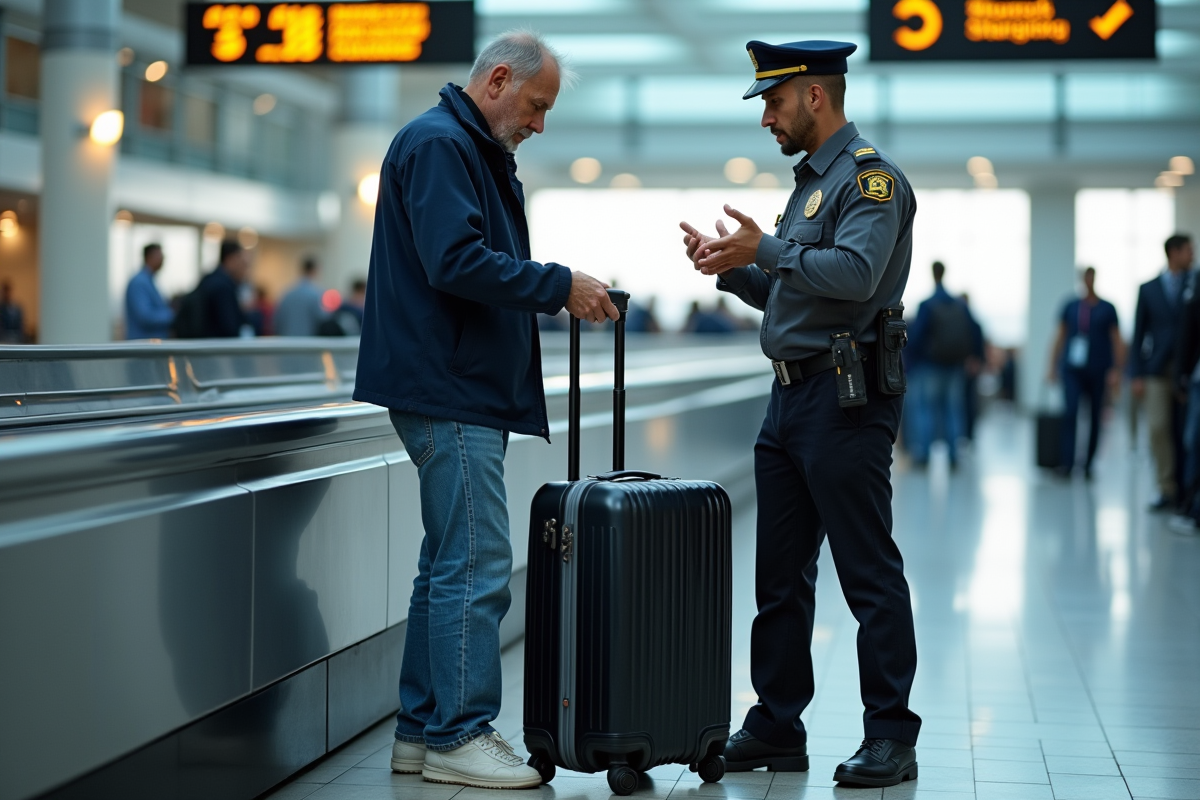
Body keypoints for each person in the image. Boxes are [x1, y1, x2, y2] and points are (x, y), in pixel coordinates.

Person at [352, 31, 618, 790]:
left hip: (452, 384)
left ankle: (420, 729)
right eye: (536, 106)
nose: (540, 125)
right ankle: (459, 732)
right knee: (477, 561)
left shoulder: (463, 146)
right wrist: (558, 284)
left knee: (445, 565)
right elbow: (455, 262)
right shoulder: (441, 145)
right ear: (498, 78)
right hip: (448, 387)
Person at [680, 39, 920, 788]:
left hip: (844, 401)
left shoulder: (872, 183)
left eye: (775, 103)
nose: (767, 120)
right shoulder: (809, 185)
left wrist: (773, 250)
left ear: (816, 96)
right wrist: (737, 267)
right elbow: (796, 288)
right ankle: (777, 722)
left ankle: (890, 734)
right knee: (779, 578)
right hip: (787, 401)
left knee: (866, 572)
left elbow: (853, 277)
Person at [1131, 234, 1195, 510]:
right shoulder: (1148, 289)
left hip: (1188, 369)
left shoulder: (1195, 283)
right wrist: (1135, 374)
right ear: (1174, 253)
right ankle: (1165, 486)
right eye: (1188, 251)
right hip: (1157, 368)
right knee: (1158, 427)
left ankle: (1185, 488)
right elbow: (1138, 334)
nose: (1192, 255)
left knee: (1185, 430)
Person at [1047, 267, 1124, 479]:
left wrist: (1117, 370)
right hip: (1072, 369)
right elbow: (1060, 337)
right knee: (1070, 412)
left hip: (1098, 369)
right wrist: (1051, 367)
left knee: (1095, 416)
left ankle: (1089, 464)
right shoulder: (1071, 306)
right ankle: (1067, 463)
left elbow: (1117, 340)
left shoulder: (1107, 308)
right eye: (1085, 277)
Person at [907, 262, 976, 469]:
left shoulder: (927, 305)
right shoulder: (958, 304)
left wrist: (912, 360)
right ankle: (954, 455)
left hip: (930, 365)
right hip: (954, 365)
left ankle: (924, 455)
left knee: (926, 409)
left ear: (932, 274)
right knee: (952, 409)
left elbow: (916, 337)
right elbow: (974, 330)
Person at [196, 240, 252, 338]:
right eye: (241, 261)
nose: (243, 267)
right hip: (214, 347)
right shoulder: (223, 287)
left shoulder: (210, 279)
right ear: (230, 259)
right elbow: (230, 328)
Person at [124, 243, 175, 340]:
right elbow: (145, 316)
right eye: (159, 256)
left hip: (149, 345)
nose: (162, 260)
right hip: (143, 346)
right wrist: (173, 314)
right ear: (149, 257)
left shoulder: (149, 281)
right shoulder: (139, 282)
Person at [274, 256, 328, 336]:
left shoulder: (287, 293)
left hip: (287, 341)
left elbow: (277, 321)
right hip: (307, 342)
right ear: (314, 270)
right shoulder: (316, 294)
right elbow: (323, 319)